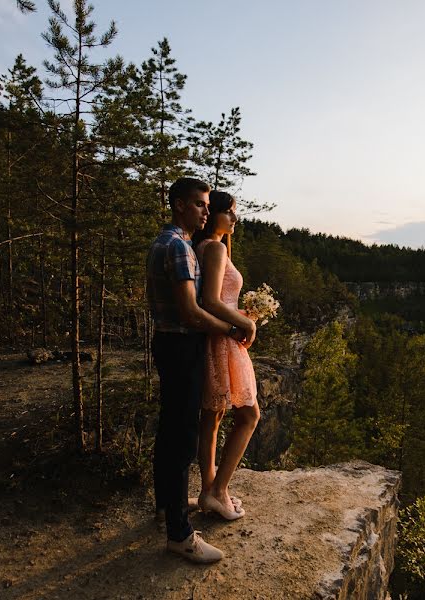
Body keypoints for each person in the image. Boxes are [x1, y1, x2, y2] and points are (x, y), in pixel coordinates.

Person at [146, 177, 256, 563]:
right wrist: (235, 327)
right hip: (180, 345)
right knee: (182, 439)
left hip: (171, 343)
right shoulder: (178, 247)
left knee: (172, 431)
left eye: (209, 205)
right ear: (178, 204)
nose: (205, 212)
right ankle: (180, 535)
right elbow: (194, 311)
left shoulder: (172, 243)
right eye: (198, 204)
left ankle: (166, 508)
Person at [191, 191, 261, 521]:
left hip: (216, 337)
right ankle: (218, 492)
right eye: (229, 212)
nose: (234, 219)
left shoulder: (203, 248)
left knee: (213, 418)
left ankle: (209, 490)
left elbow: (218, 300)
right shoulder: (215, 247)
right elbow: (211, 301)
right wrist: (245, 321)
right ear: (215, 215)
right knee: (248, 416)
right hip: (223, 341)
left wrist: (245, 312)